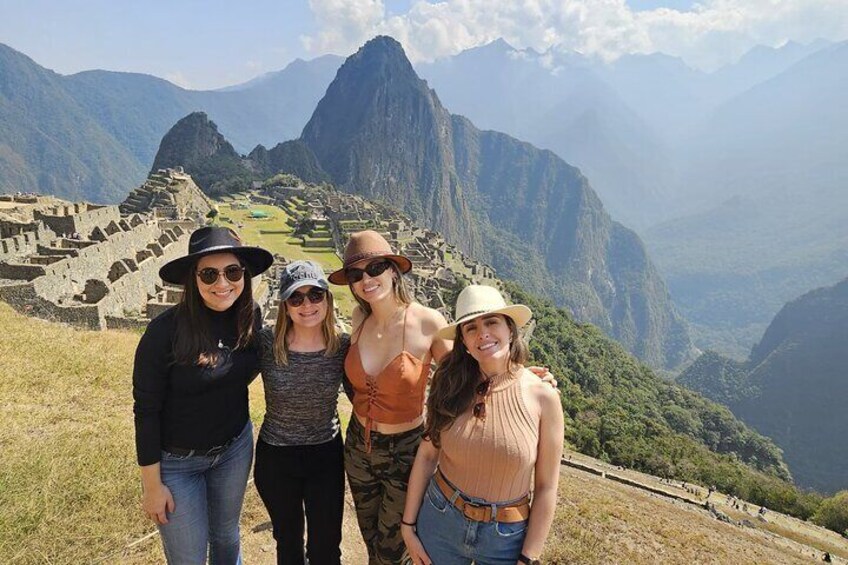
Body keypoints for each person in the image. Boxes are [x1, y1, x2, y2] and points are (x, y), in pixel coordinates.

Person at [132, 226, 272, 565]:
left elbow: (246, 370)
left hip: (234, 449)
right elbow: (146, 410)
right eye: (209, 274)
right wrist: (153, 487)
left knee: (226, 538)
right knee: (188, 558)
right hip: (179, 463)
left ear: (244, 275)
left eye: (232, 271)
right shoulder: (164, 332)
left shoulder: (248, 315)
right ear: (193, 279)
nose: (222, 283)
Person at [401, 285, 564, 565]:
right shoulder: (449, 384)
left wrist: (529, 557)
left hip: (505, 538)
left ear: (510, 330)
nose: (483, 334)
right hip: (441, 519)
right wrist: (408, 526)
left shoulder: (543, 398)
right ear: (463, 341)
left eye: (491, 322)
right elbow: (428, 455)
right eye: (471, 328)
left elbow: (547, 486)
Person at [328, 230, 452, 564]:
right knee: (370, 538)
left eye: (376, 268)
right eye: (356, 274)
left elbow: (466, 373)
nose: (366, 279)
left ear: (393, 270)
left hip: (406, 453)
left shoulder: (427, 322)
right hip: (357, 448)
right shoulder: (358, 319)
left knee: (394, 548)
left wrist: (519, 377)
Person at [254, 261, 349, 565]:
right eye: (296, 298)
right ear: (285, 304)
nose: (307, 305)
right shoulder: (268, 344)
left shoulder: (342, 346)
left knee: (326, 548)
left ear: (327, 298)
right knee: (288, 544)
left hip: (325, 454)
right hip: (277, 457)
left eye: (315, 295)